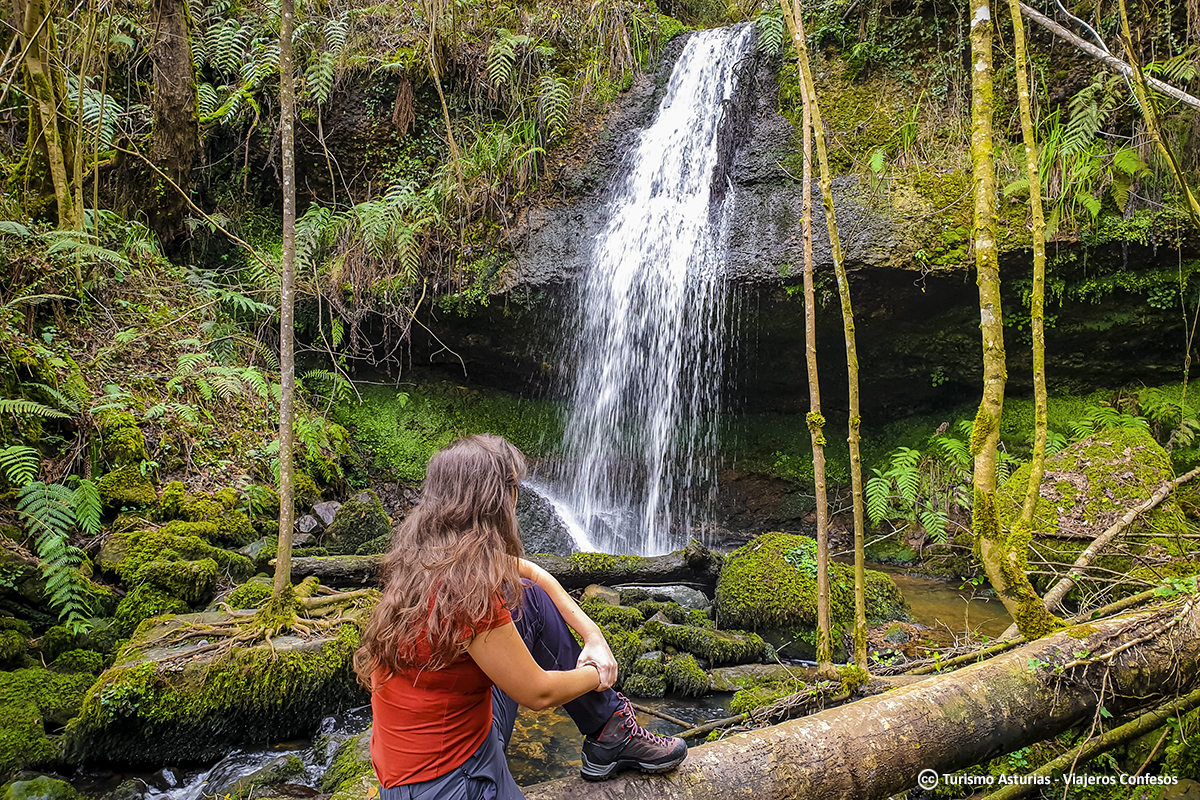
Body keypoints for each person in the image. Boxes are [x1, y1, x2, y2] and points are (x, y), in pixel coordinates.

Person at [354, 434, 688, 799]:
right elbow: (538, 693)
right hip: (449, 785)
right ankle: (609, 732)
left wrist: (593, 634)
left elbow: (530, 574)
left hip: (431, 762)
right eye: (514, 488)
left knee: (527, 597)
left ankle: (612, 733)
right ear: (497, 500)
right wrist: (597, 674)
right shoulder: (468, 594)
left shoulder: (425, 561)